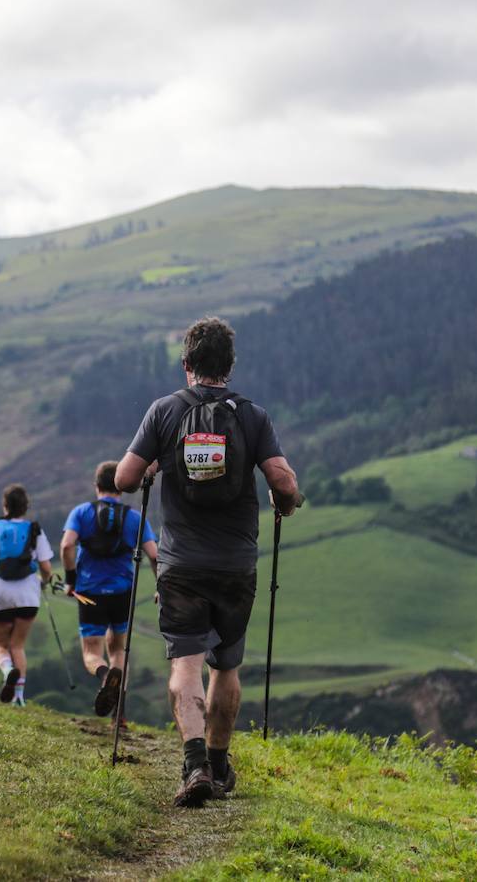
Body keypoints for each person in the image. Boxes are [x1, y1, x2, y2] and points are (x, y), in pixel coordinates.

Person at [116, 316, 299, 808]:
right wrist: (288, 500)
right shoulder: (252, 416)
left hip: (181, 565)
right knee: (226, 666)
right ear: (230, 366)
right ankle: (219, 764)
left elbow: (124, 480)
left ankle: (193, 762)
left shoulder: (164, 412)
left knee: (186, 663)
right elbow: (282, 481)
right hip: (236, 565)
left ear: (187, 364)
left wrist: (154, 462)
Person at [60, 460, 158, 722]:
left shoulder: (81, 513)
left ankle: (105, 677)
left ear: (96, 486)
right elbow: (154, 555)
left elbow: (67, 546)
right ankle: (120, 714)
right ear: (120, 486)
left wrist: (71, 579)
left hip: (89, 591)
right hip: (122, 592)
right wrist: (161, 585)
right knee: (118, 651)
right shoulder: (134, 518)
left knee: (92, 652)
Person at [0, 484, 55, 706]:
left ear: (4, 505)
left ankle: (7, 670)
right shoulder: (35, 529)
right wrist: (44, 584)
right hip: (28, 595)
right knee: (17, 645)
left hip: (1, 592)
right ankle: (19, 697)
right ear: (26, 507)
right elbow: (46, 567)